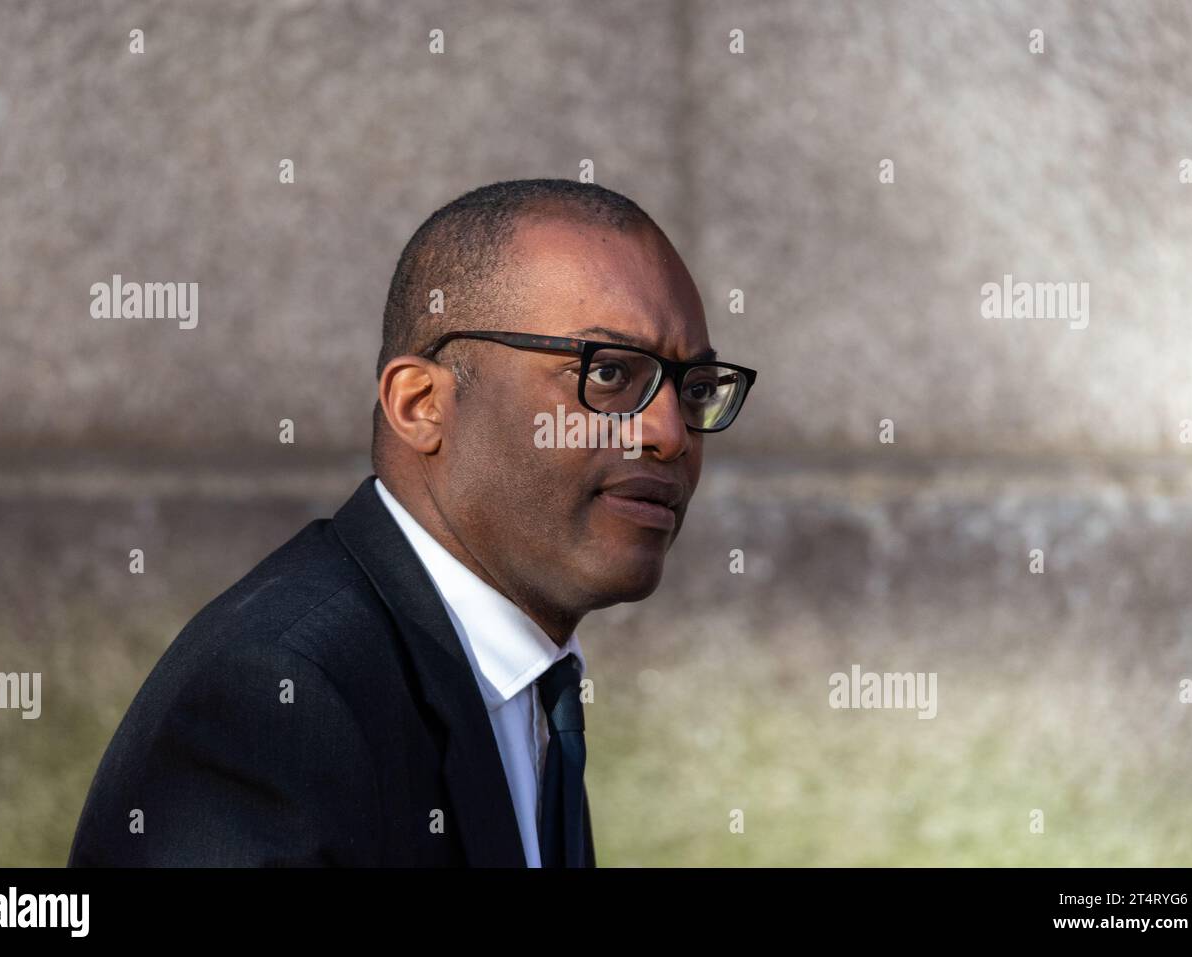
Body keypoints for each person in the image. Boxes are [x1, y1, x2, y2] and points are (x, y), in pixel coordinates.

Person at [67, 178, 757, 866]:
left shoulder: (529, 684)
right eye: (607, 374)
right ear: (421, 403)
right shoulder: (280, 696)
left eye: (695, 389)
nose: (670, 433)